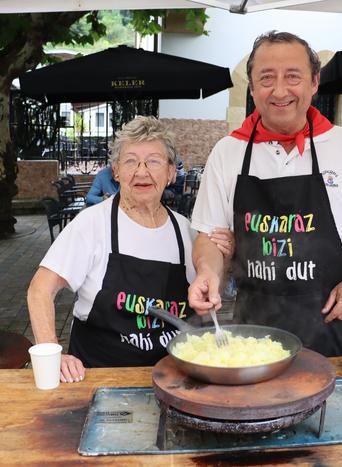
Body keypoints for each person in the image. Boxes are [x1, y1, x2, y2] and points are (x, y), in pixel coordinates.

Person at [188, 31, 342, 357]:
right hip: (255, 334)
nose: (280, 90)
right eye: (266, 78)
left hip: (332, 324)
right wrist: (208, 272)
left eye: (292, 76)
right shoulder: (228, 151)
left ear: (314, 82)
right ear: (251, 86)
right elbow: (209, 236)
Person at [28, 116, 233, 383]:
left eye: (154, 161)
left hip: (173, 378)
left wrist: (223, 262)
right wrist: (51, 353)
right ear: (116, 171)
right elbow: (40, 289)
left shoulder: (186, 230)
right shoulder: (92, 224)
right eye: (130, 161)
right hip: (102, 377)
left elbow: (210, 296)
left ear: (171, 172)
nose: (141, 171)